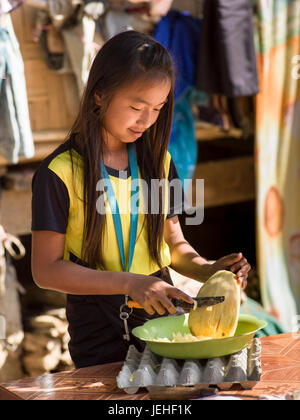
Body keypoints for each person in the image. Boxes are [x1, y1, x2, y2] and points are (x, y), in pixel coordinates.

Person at [31, 30, 251, 369]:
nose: (147, 120)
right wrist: (130, 282)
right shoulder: (59, 173)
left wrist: (209, 270)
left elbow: (174, 241)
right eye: (136, 106)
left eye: (158, 108)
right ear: (100, 95)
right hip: (98, 331)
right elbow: (45, 271)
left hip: (163, 321)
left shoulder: (159, 162)